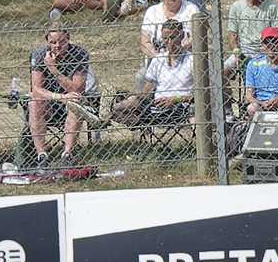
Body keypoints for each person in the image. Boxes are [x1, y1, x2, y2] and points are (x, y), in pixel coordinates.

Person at [112, 17, 196, 134]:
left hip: (180, 107)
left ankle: (135, 121)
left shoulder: (192, 60)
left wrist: (175, 99)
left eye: (173, 37)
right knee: (120, 109)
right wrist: (134, 97)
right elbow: (147, 91)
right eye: (165, 38)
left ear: (181, 36)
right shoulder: (159, 60)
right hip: (156, 106)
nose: (170, 42)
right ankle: (109, 112)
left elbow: (200, 94)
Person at [26, 24, 95, 162]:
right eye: (53, 42)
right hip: (50, 102)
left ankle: (67, 154)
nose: (57, 46)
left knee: (75, 102)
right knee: (34, 103)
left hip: (72, 100)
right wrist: (61, 97)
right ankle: (41, 155)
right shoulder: (39, 54)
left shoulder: (79, 54)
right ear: (47, 42)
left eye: (62, 41)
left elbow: (77, 89)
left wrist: (53, 70)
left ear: (68, 39)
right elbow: (36, 89)